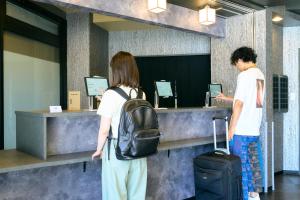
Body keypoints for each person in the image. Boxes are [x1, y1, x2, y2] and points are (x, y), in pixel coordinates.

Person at [92, 51, 147, 200]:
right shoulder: (141, 93)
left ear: (116, 71)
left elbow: (104, 130)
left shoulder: (110, 94)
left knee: (114, 194)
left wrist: (99, 150)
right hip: (139, 150)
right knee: (137, 194)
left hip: (118, 150)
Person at [216, 47, 265, 200]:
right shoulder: (259, 75)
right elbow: (253, 101)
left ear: (239, 60)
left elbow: (239, 104)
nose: (237, 67)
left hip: (241, 131)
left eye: (236, 64)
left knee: (242, 169)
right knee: (254, 166)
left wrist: (231, 129)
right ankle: (254, 196)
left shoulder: (244, 75)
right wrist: (226, 98)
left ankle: (244, 197)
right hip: (254, 131)